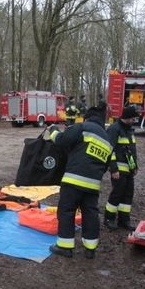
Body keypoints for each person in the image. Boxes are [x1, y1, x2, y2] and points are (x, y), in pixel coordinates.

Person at [47, 107, 113, 259]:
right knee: (90, 214)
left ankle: (65, 246)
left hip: (73, 181)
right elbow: (105, 165)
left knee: (66, 211)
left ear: (87, 118)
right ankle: (90, 248)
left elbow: (61, 140)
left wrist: (53, 131)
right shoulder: (107, 139)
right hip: (93, 185)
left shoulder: (83, 127)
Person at [103, 105, 139, 231]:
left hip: (129, 169)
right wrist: (113, 169)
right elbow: (109, 149)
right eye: (133, 118)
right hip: (118, 170)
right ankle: (109, 218)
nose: (135, 120)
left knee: (128, 195)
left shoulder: (129, 129)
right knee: (117, 194)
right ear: (128, 117)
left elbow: (131, 150)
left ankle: (124, 220)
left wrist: (134, 166)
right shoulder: (114, 129)